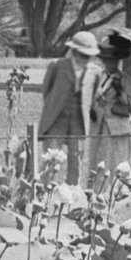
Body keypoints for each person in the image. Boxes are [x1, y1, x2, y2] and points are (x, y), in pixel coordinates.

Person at [38, 31, 99, 182]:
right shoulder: (57, 65)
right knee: (51, 159)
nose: (85, 59)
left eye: (88, 56)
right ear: (73, 52)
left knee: (76, 163)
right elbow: (46, 90)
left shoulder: (95, 72)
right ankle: (44, 192)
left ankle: (72, 196)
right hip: (56, 121)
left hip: (78, 123)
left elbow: (94, 95)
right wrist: (56, 105)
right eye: (82, 55)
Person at [83, 32, 131, 179]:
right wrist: (94, 105)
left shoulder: (124, 79)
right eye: (108, 61)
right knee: (97, 160)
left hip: (116, 128)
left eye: (114, 61)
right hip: (98, 126)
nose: (112, 64)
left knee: (116, 161)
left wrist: (119, 93)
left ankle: (116, 191)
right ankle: (95, 191)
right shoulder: (98, 77)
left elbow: (129, 107)